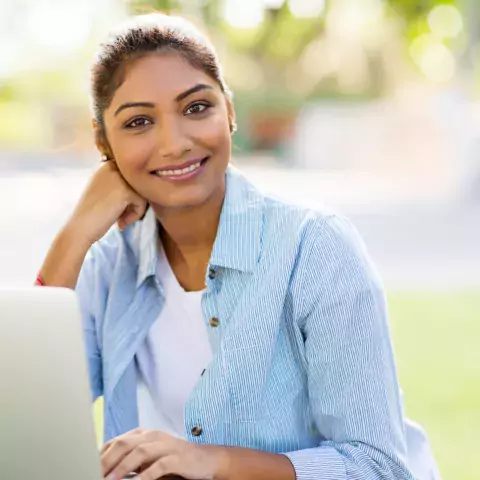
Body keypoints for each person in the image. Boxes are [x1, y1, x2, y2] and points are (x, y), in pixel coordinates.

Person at [37, 13, 441, 480]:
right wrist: (76, 234)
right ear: (102, 141)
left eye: (195, 108)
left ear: (228, 111)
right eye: (139, 122)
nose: (175, 144)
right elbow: (24, 415)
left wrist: (211, 463)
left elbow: (379, 467)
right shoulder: (110, 263)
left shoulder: (315, 248)